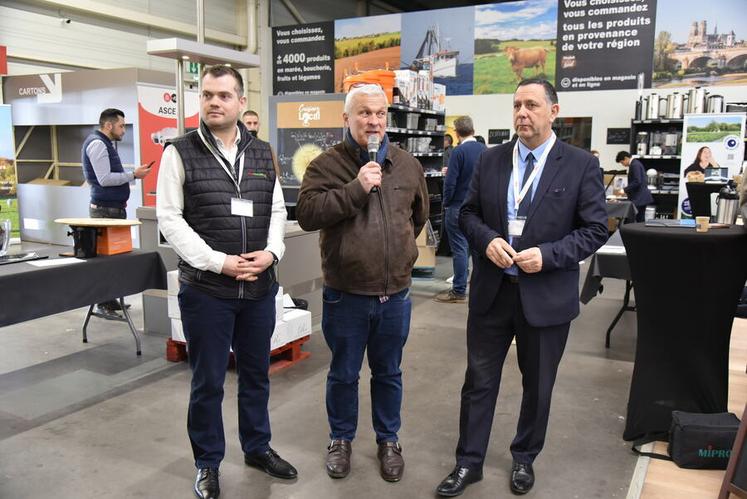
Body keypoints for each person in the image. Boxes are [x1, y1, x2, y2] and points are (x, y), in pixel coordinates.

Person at [435, 79, 607, 497]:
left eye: (531, 105)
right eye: (516, 105)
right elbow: (467, 214)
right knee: (478, 379)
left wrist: (549, 255)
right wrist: (487, 239)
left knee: (539, 383)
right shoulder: (491, 159)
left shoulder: (580, 164)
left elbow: (595, 228)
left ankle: (525, 457)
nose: (522, 113)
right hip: (494, 292)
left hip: (546, 296)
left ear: (554, 112)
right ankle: (468, 462)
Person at [157, 65, 296, 499]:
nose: (214, 102)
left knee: (256, 375)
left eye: (223, 95)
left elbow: (276, 211)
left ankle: (257, 447)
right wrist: (219, 262)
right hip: (207, 290)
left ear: (240, 103)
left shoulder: (261, 152)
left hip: (258, 288)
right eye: (207, 95)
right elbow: (169, 220)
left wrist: (273, 253)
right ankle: (208, 463)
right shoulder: (178, 152)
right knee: (208, 382)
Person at [296, 83, 428, 483]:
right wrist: (356, 188)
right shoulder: (325, 166)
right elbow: (308, 214)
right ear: (347, 118)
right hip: (346, 297)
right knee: (344, 374)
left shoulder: (408, 165)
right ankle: (341, 439)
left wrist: (399, 255)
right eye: (364, 113)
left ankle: (388, 440)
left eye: (380, 114)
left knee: (389, 372)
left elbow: (417, 217)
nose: (373, 121)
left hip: (396, 296)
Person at [82, 108, 152, 314]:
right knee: (105, 260)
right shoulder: (97, 144)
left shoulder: (106, 144)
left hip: (113, 210)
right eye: (121, 126)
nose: (123, 130)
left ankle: (110, 299)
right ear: (109, 125)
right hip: (105, 211)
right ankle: (103, 302)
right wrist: (133, 175)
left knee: (114, 259)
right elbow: (104, 179)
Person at [435, 116, 486, 304]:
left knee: (459, 248)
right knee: (476, 249)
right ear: (473, 129)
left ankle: (458, 290)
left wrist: (447, 202)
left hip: (458, 206)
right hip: (479, 209)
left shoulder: (458, 152)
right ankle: (478, 288)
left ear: (456, 133)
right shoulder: (484, 150)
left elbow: (450, 182)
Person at [616, 150, 654, 223]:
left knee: (629, 219)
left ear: (626, 158)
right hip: (642, 197)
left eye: (622, 162)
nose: (622, 164)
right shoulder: (636, 163)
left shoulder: (634, 165)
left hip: (639, 197)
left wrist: (624, 190)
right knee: (640, 220)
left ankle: (629, 233)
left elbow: (637, 181)